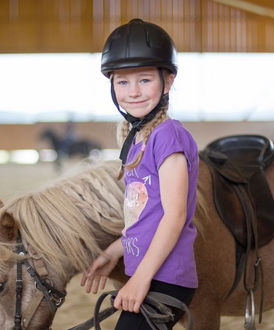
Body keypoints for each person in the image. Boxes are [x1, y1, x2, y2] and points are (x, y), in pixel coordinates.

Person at [80, 18, 199, 330]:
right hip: (148, 271)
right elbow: (145, 217)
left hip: (165, 276)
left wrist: (140, 281)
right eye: (122, 82)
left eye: (144, 80)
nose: (133, 92)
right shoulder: (138, 140)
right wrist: (113, 252)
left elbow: (174, 215)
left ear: (168, 81)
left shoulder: (167, 135)